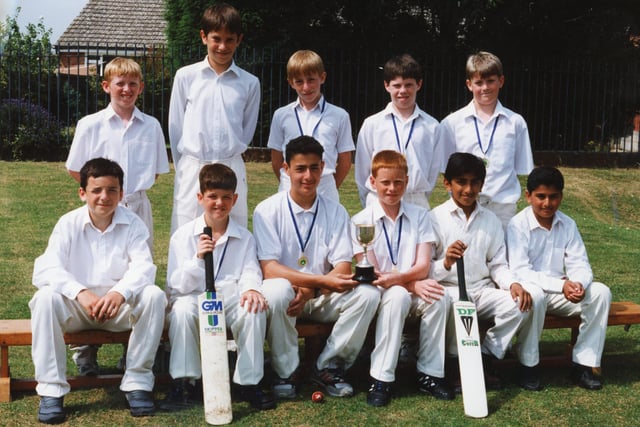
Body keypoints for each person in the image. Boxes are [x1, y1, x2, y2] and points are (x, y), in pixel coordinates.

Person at [30, 158, 166, 424]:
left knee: (154, 295)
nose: (104, 197)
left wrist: (118, 294)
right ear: (83, 193)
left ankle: (137, 382)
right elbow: (45, 269)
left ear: (121, 193)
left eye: (112, 190)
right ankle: (51, 391)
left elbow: (144, 268)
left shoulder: (134, 224)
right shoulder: (67, 223)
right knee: (44, 298)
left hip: (118, 309)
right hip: (79, 308)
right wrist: (81, 292)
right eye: (96, 190)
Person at [65, 56, 169, 377]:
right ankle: (85, 351)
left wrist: (128, 197)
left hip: (137, 206)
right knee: (92, 270)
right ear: (106, 86)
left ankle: (133, 348)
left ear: (140, 87)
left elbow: (156, 169)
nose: (126, 89)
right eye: (120, 83)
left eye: (133, 84)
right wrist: (103, 198)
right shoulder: (91, 124)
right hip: (100, 208)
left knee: (137, 271)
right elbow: (75, 168)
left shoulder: (150, 125)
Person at [253, 136, 380, 399]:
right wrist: (307, 286)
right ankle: (285, 370)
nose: (308, 176)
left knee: (368, 295)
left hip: (320, 295)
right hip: (287, 298)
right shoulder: (266, 210)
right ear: (285, 170)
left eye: (313, 167)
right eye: (300, 169)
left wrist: (311, 290)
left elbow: (344, 266)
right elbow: (269, 269)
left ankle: (328, 366)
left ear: (323, 167)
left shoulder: (336, 211)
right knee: (276, 290)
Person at [162, 163, 275, 411]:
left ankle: (249, 381)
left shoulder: (243, 236)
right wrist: (197, 259)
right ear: (200, 197)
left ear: (235, 199)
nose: (219, 203)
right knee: (181, 311)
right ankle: (185, 381)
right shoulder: (182, 236)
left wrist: (251, 289)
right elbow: (176, 285)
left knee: (253, 307)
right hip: (194, 298)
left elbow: (249, 271)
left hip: (230, 298)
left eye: (226, 198)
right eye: (212, 197)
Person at [351, 150, 453, 406]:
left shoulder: (420, 215)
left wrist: (413, 283)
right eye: (385, 182)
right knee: (396, 296)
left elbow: (423, 265)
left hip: (411, 287)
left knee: (439, 296)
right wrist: (410, 283)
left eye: (398, 182)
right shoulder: (361, 221)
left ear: (407, 182)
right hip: (382, 294)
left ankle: (429, 374)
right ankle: (381, 378)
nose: (392, 188)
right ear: (372, 182)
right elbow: (372, 274)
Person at [429, 152, 538, 390]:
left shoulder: (490, 219)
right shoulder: (434, 218)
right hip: (448, 290)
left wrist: (512, 285)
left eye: (475, 182)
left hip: (482, 290)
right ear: (447, 183)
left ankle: (485, 358)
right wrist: (446, 262)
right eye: (461, 182)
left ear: (482, 184)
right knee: (453, 304)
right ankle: (455, 366)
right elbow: (425, 269)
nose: (468, 189)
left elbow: (498, 264)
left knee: (518, 304)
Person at [506, 166, 611, 390]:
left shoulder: (568, 224)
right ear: (528, 196)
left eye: (553, 197)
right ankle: (528, 365)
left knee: (601, 293)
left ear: (561, 196)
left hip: (561, 294)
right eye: (540, 197)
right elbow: (520, 271)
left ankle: (583, 365)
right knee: (535, 295)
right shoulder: (517, 224)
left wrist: (578, 285)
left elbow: (580, 263)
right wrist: (561, 285)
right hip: (530, 293)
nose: (547, 203)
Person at [168, 2, 260, 232]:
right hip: (193, 168)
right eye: (216, 38)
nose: (222, 46)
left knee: (233, 233)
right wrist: (188, 166)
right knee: (186, 231)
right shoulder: (186, 76)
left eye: (229, 40)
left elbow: (246, 130)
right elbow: (175, 126)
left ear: (239, 39)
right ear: (204, 37)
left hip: (231, 167)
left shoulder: (249, 83)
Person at [438, 51, 534, 229]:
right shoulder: (451, 123)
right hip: (463, 205)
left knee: (500, 256)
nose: (485, 88)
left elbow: (521, 168)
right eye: (478, 82)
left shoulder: (515, 123)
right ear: (469, 84)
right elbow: (446, 168)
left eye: (490, 81)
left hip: (502, 208)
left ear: (501, 81)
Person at [355, 54, 443, 209]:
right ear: (387, 85)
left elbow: (433, 171)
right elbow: (362, 170)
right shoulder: (372, 124)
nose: (403, 91)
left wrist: (417, 195)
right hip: (379, 199)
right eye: (397, 85)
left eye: (409, 85)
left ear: (419, 84)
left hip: (416, 199)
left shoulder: (432, 126)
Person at [268, 50, 354, 202]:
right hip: (289, 186)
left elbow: (345, 161)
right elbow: (276, 160)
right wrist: (293, 178)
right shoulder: (281, 115)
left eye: (311, 80)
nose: (306, 87)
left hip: (325, 187)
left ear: (322, 77)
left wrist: (329, 184)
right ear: (290, 82)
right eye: (299, 81)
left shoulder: (339, 116)